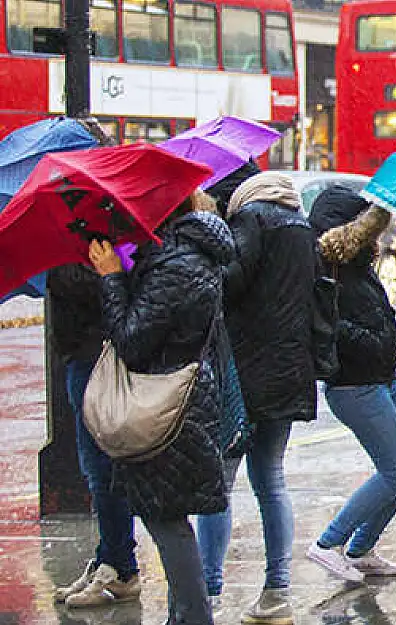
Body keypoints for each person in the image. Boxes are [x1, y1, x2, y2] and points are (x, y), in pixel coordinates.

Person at [87, 192, 235, 625]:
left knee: (164, 517)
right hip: (184, 399)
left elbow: (132, 342)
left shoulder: (175, 266)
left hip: (168, 405)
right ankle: (184, 615)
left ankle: (193, 616)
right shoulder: (183, 255)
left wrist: (112, 278)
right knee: (168, 515)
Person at [196, 172, 318, 624]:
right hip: (288, 370)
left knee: (218, 485)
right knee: (271, 479)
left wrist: (211, 244)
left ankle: (207, 589)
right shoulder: (301, 227)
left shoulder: (252, 220)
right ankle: (277, 590)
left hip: (244, 372)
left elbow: (227, 285)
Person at [305, 186, 396, 581]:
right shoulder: (324, 272)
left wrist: (390, 336)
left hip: (385, 377)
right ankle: (328, 543)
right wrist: (376, 340)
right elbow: (329, 329)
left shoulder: (359, 266)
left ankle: (361, 548)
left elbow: (381, 316)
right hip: (354, 384)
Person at [51, 118, 142, 610]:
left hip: (97, 356)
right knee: (96, 467)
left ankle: (120, 564)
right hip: (78, 354)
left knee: (102, 466)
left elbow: (108, 281)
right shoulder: (69, 212)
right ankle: (112, 556)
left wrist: (68, 261)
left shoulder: (100, 213)